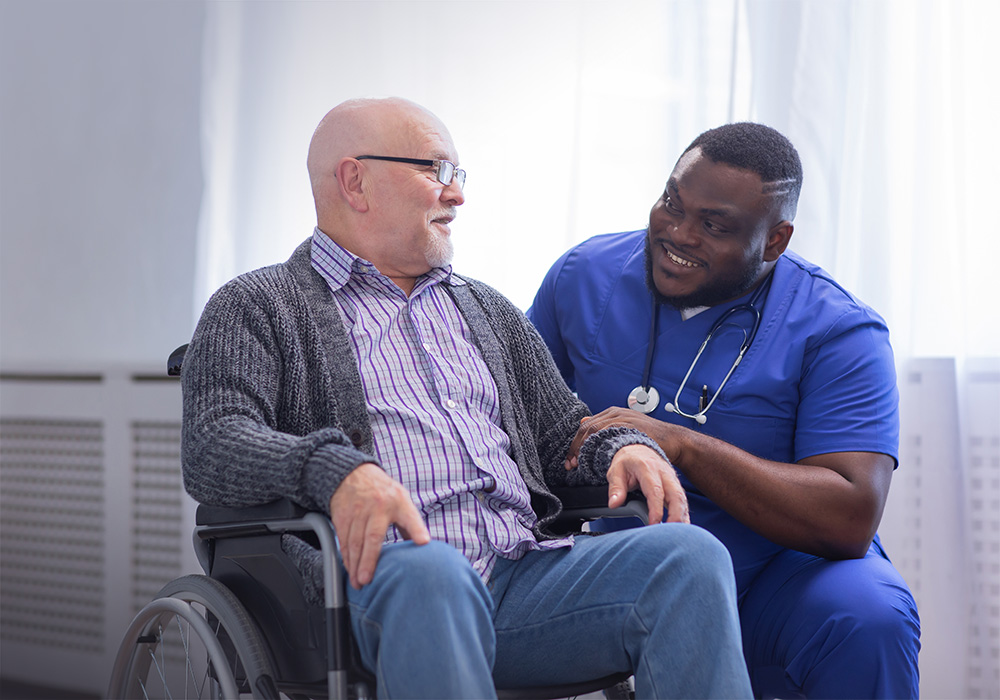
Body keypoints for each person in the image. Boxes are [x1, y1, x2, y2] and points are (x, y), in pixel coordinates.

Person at [181, 97, 753, 699]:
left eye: (459, 176)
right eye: (437, 171)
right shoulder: (256, 304)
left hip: (523, 576)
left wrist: (618, 449)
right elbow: (213, 442)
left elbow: (563, 433)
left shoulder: (486, 309)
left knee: (688, 557)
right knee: (436, 574)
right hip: (374, 584)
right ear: (355, 181)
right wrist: (336, 472)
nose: (458, 195)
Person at [527, 122, 921, 699]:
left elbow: (850, 515)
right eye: (671, 203)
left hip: (775, 576)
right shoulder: (583, 275)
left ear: (775, 241)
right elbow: (515, 425)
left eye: (714, 226)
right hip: (620, 562)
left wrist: (680, 444)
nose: (678, 234)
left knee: (869, 617)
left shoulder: (839, 330)